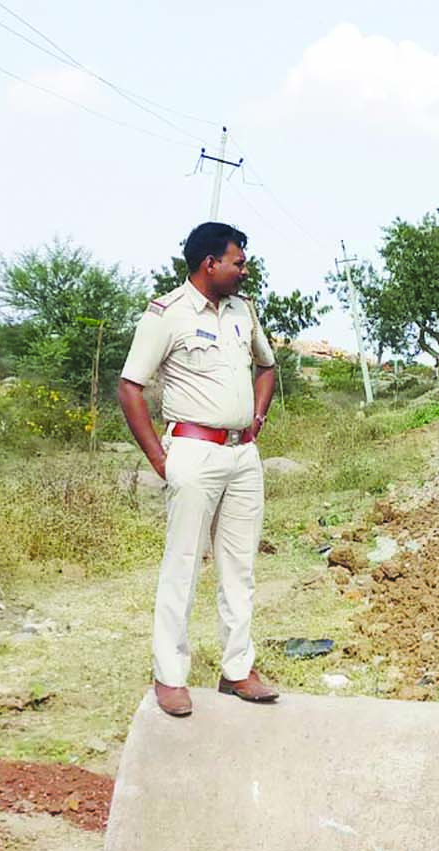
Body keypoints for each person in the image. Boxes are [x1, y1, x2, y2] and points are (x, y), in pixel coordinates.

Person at [118, 222, 280, 717]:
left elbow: (267, 367)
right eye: (238, 262)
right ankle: (170, 676)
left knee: (240, 568)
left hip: (242, 456)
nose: (244, 271)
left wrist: (257, 418)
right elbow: (130, 387)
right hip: (192, 453)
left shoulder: (243, 311)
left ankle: (238, 671)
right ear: (210, 263)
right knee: (183, 565)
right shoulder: (167, 313)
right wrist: (159, 458)